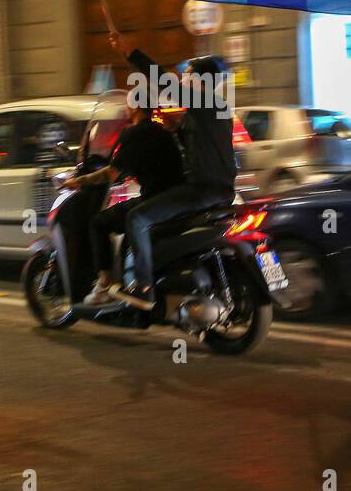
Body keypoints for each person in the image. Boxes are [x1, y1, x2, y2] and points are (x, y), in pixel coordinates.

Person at [106, 32, 236, 310]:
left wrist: (131, 52)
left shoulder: (207, 103)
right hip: (217, 191)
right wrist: (175, 129)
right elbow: (201, 145)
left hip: (202, 191)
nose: (182, 79)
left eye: (187, 75)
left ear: (201, 82)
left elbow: (164, 82)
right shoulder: (214, 109)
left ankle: (143, 288)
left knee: (137, 217)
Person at [63, 93, 185, 306]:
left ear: (135, 108)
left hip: (156, 198)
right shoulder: (163, 132)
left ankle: (104, 285)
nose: (125, 109)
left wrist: (78, 181)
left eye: (127, 105)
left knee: (99, 222)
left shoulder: (135, 133)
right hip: (173, 197)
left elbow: (111, 174)